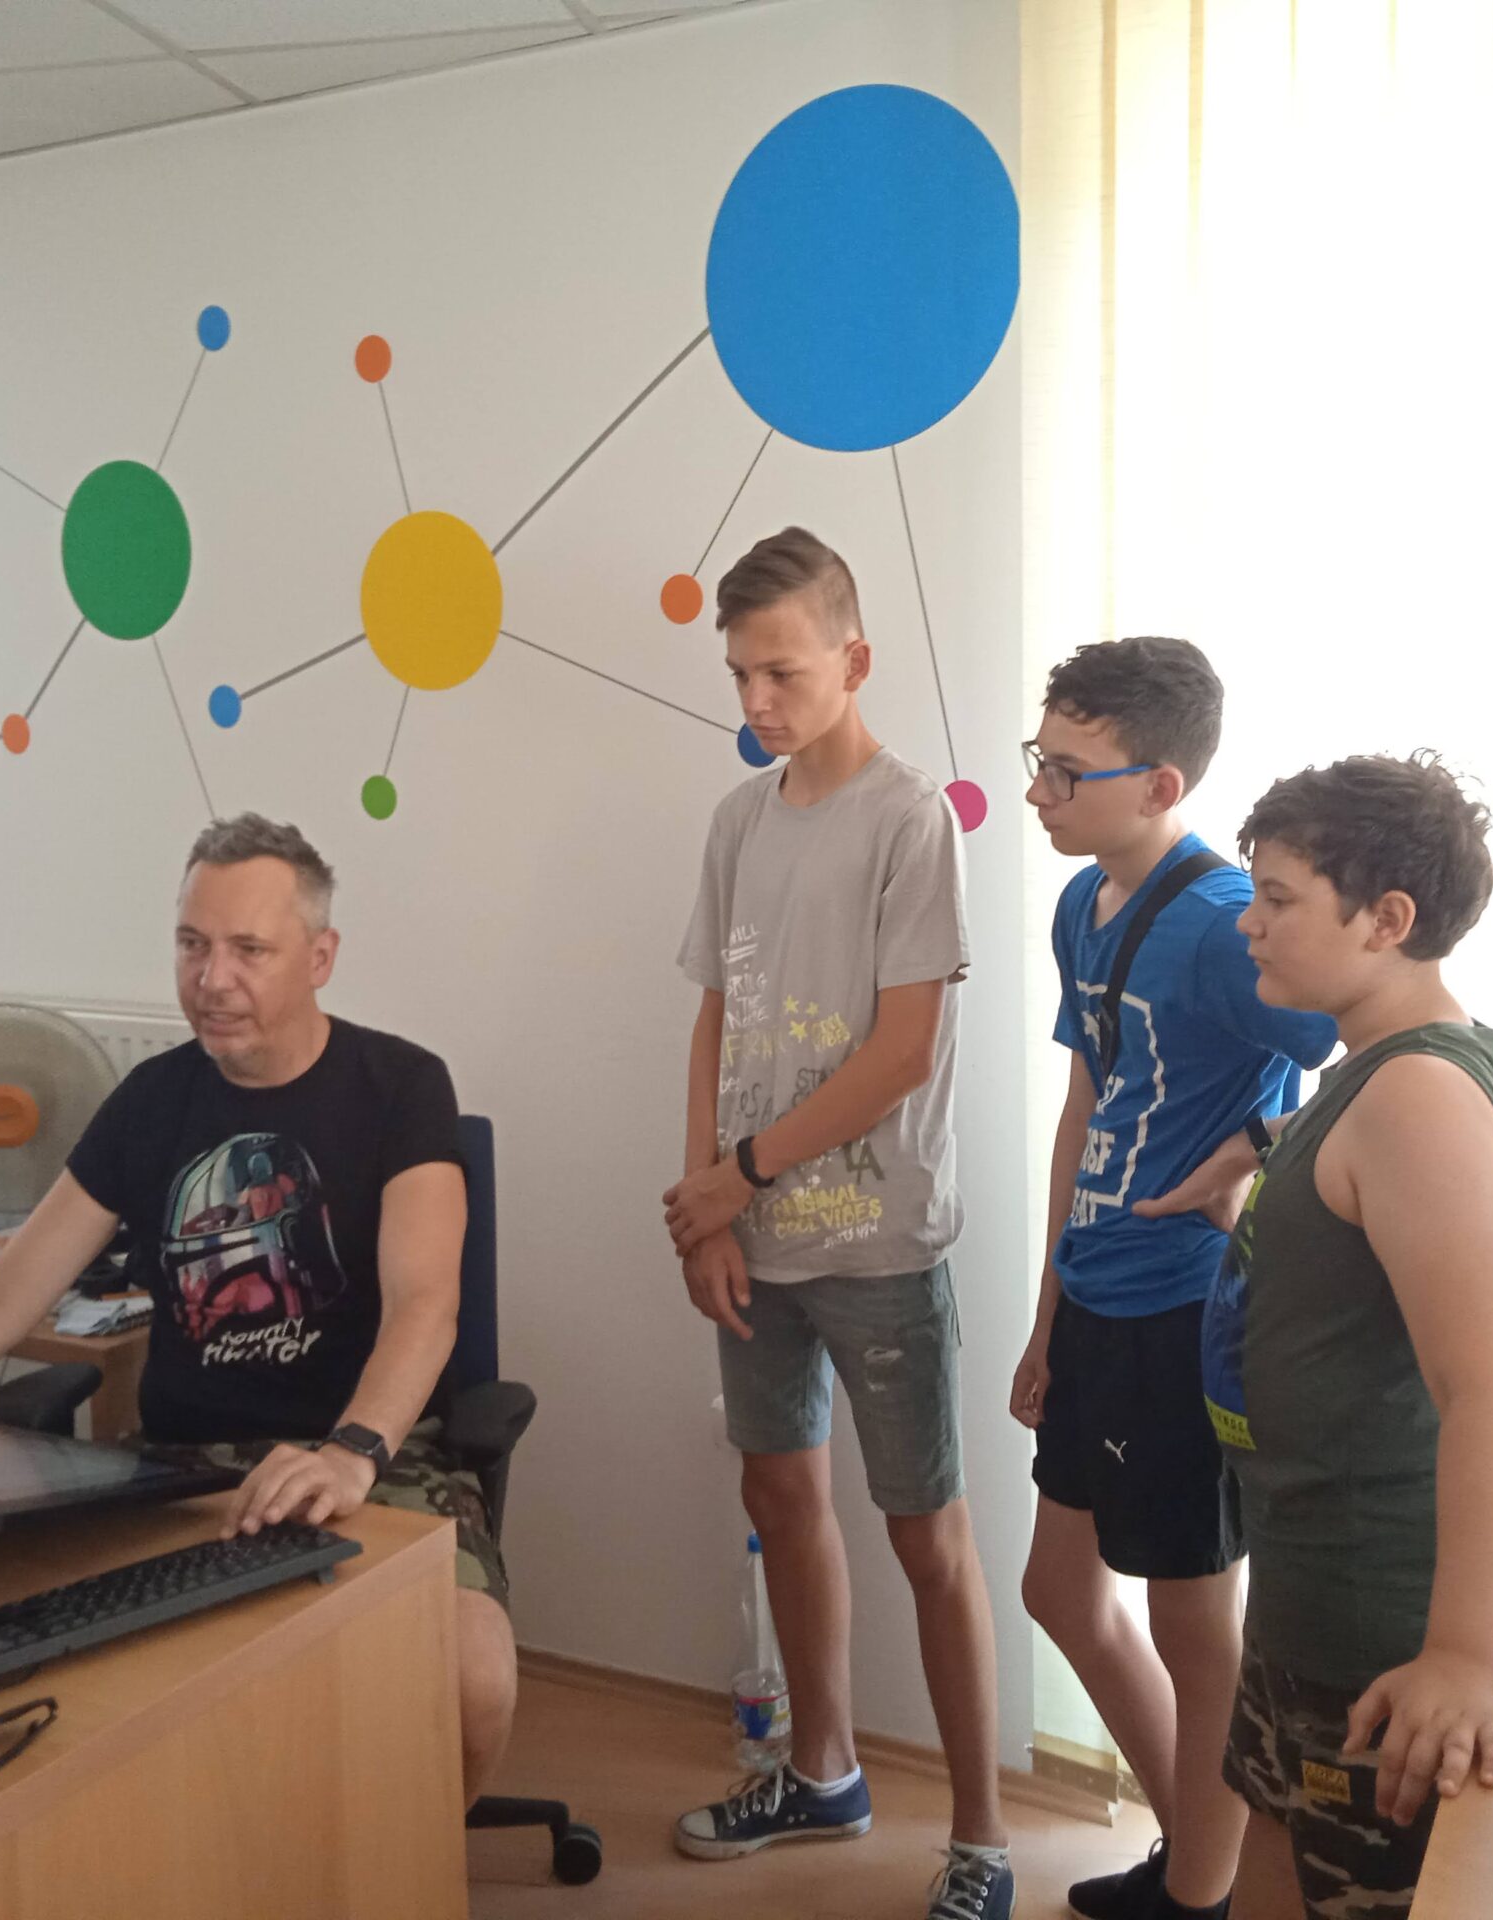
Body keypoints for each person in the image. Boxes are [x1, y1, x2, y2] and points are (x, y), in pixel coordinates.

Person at [0, 813, 518, 1801]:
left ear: (320, 957)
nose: (212, 979)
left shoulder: (401, 1087)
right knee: (52, 1673)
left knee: (472, 1678)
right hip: (181, 1471)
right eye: (192, 945)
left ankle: (410, 1865)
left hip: (370, 1458)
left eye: (249, 949)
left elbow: (426, 1304)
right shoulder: (151, 1101)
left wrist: (351, 1452)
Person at [660, 527, 1011, 1920]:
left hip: (877, 1246)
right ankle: (822, 1774)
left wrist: (737, 1172)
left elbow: (902, 1052)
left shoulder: (911, 820)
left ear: (853, 660)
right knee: (780, 1497)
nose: (757, 702)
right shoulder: (737, 823)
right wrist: (707, 1203)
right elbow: (714, 1016)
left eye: (783, 673)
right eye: (740, 676)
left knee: (927, 1537)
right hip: (754, 1242)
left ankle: (981, 1838)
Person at [1179, 752, 1493, 1917]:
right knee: (1273, 1869)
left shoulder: (1419, 1101)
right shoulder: (1365, 1074)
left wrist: (1463, 1660)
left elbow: (1487, 1392)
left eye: (1277, 899)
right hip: (1304, 1581)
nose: (1248, 924)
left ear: (1386, 921)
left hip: (1375, 1623)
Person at [1012, 639, 1336, 1920]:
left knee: (1196, 1630)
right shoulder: (1079, 904)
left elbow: (1373, 1052)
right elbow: (1086, 1104)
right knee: (1058, 1589)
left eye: (1065, 771)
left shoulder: (1218, 921)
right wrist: (1047, 1311)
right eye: (1037, 760)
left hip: (1184, 1309)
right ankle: (1200, 1858)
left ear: (1161, 785)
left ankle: (1201, 1894)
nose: (1037, 791)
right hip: (1097, 1291)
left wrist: (1249, 1148)